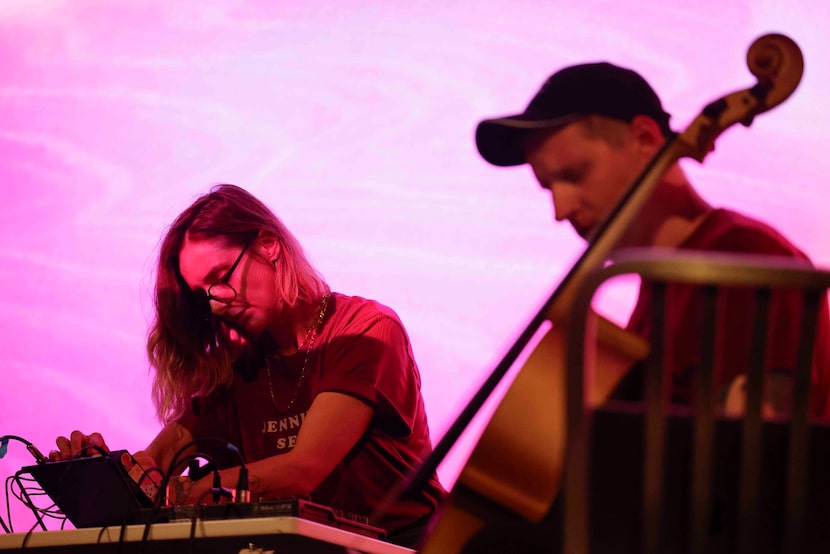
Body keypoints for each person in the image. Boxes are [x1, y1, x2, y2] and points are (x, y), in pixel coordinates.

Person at [49, 184, 446, 548]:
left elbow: (303, 470)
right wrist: (103, 472)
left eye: (221, 277)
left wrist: (192, 489)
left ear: (268, 246)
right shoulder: (238, 368)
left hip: (408, 544)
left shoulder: (365, 330)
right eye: (203, 295)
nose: (217, 301)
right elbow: (157, 464)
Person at [474, 61, 830, 417]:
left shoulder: (743, 259)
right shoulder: (659, 281)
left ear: (644, 138)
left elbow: (754, 452)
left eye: (574, 175)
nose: (561, 209)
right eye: (548, 188)